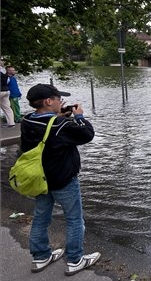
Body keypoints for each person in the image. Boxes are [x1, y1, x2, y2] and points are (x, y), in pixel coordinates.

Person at [20, 83, 100, 276]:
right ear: (48, 101)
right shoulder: (59, 125)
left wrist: (59, 115)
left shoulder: (27, 120)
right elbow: (87, 134)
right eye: (57, 99)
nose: (60, 102)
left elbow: (47, 129)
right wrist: (79, 116)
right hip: (63, 181)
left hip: (39, 180)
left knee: (40, 218)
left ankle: (40, 257)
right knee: (74, 220)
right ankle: (75, 260)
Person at [0, 63, 15, 128]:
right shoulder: (4, 71)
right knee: (7, 108)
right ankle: (11, 123)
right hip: (6, 91)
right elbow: (8, 81)